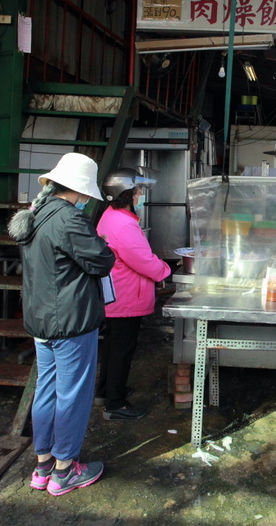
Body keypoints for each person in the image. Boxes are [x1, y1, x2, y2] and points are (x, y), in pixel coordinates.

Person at [7, 152, 115, 496]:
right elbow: (102, 261)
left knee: (47, 391)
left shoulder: (37, 214)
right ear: (80, 189)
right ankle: (66, 470)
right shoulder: (70, 219)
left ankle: (43, 467)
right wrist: (104, 248)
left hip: (41, 321)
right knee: (73, 396)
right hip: (71, 322)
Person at [94, 167, 171, 421]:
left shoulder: (110, 216)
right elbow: (143, 260)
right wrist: (166, 270)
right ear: (126, 194)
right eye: (137, 190)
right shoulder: (123, 225)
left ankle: (105, 392)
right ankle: (115, 405)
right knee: (121, 350)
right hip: (127, 296)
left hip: (116, 294)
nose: (140, 194)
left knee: (113, 348)